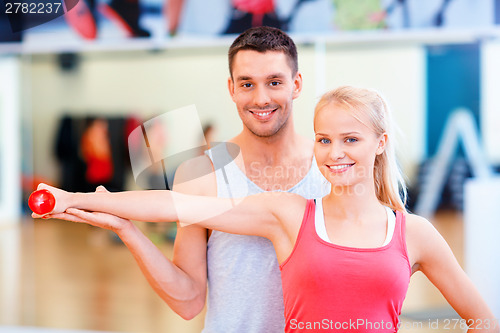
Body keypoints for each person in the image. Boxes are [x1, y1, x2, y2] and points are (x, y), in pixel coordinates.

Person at [35, 85, 498, 332]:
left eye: (350, 139)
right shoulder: (289, 214)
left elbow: (483, 321)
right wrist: (80, 199)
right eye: (324, 139)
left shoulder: (413, 234)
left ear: (380, 144)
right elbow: (180, 204)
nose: (335, 152)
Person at [42, 26, 329, 332]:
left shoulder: (333, 169)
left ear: (296, 84)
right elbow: (188, 300)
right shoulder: (202, 175)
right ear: (231, 88)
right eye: (247, 84)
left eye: (274, 82)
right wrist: (126, 229)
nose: (261, 98)